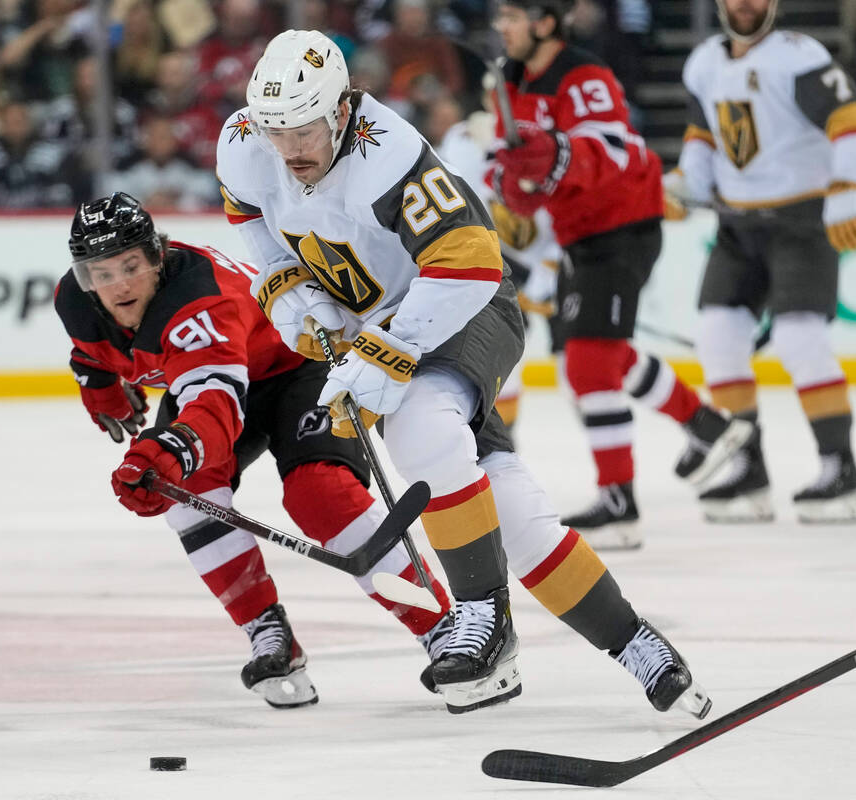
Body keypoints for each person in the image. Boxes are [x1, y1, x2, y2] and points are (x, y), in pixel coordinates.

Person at [217, 28, 713, 718]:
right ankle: (638, 645)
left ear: (340, 110)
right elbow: (251, 221)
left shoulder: (385, 154)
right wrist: (289, 291)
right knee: (507, 506)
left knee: (421, 427)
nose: (291, 149)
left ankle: (484, 619)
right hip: (381, 320)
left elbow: (471, 264)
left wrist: (383, 351)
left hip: (463, 303)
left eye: (304, 129)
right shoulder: (246, 142)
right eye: (278, 131)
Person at [54, 192, 454, 708]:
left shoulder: (200, 301)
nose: (119, 285)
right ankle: (270, 633)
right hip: (217, 385)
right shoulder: (75, 302)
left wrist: (168, 450)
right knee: (185, 492)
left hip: (295, 368)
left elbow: (217, 406)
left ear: (156, 256)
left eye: (130, 266)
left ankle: (443, 627)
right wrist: (98, 381)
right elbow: (95, 351)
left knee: (321, 495)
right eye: (101, 275)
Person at [489, 0, 754, 548]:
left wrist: (554, 156)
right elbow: (507, 161)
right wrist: (513, 185)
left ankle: (621, 500)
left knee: (588, 364)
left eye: (512, 17)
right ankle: (709, 426)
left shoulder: (583, 75)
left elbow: (613, 146)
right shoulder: (509, 82)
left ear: (545, 22)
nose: (502, 27)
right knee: (595, 357)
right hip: (577, 234)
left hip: (622, 222)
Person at [661, 0, 856, 523]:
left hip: (801, 221)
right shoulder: (704, 64)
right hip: (737, 225)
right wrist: (686, 185)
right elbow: (704, 135)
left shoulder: (798, 56)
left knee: (800, 338)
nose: (744, 4)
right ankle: (748, 469)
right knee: (718, 337)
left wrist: (850, 184)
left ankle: (840, 470)